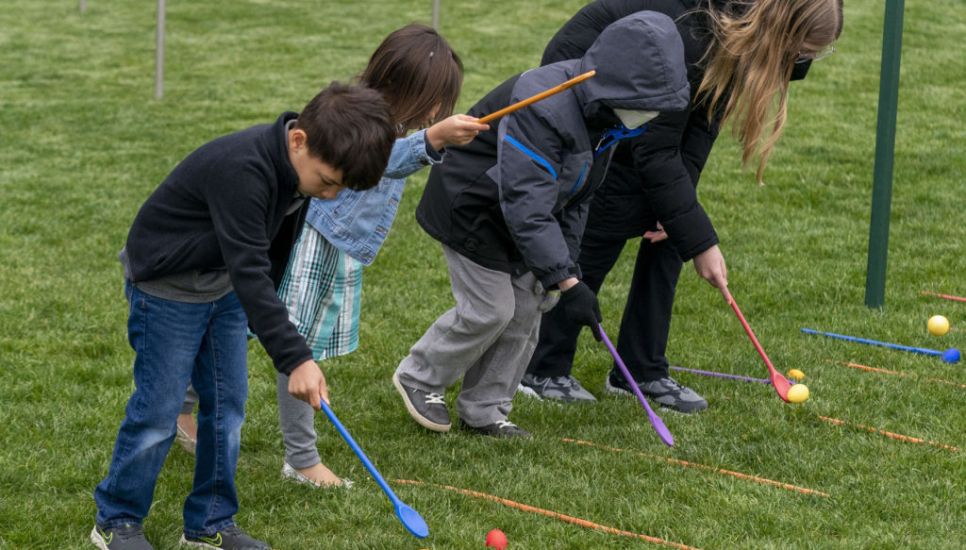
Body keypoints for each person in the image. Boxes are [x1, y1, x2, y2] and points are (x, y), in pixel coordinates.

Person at [173, 25, 487, 488]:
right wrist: (433, 139)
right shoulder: (369, 124)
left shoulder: (385, 120)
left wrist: (430, 135)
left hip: (325, 240)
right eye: (434, 99)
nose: (437, 111)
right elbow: (387, 159)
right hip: (317, 241)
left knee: (249, 328)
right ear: (405, 85)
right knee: (295, 348)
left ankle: (177, 407)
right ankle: (300, 458)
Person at [91, 83, 396, 550]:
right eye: (328, 182)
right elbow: (249, 266)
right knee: (158, 410)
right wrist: (295, 357)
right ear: (299, 141)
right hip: (168, 288)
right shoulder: (244, 170)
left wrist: (265, 314)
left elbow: (271, 251)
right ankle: (117, 519)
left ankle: (210, 524)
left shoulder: (300, 170)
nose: (330, 196)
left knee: (227, 410)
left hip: (223, 286)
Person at [519, 0, 843, 412]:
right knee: (612, 209)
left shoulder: (739, 36)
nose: (802, 62)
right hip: (584, 88)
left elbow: (703, 121)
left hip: (643, 95)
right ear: (781, 30)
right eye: (802, 51)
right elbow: (654, 152)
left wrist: (683, 218)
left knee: (673, 223)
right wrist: (703, 244)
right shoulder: (695, 37)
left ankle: (641, 368)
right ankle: (543, 366)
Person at [392, 11, 690, 438]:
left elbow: (577, 197)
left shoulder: (606, 120)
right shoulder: (545, 107)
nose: (651, 115)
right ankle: (419, 376)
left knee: (531, 304)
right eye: (648, 104)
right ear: (621, 88)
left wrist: (564, 270)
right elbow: (525, 203)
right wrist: (568, 283)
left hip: (524, 215)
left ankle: (485, 408)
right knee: (490, 309)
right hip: (473, 206)